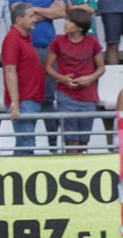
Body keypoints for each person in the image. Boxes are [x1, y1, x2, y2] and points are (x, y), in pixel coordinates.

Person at [8, 0, 65, 144]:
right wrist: (48, 10)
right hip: (27, 48)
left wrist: (33, 11)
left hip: (49, 48)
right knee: (29, 97)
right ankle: (27, 142)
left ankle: (52, 143)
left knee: (49, 97)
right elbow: (17, 12)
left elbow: (62, 11)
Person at [45, 9, 105, 153]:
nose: (65, 24)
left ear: (80, 27)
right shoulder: (58, 41)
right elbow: (48, 67)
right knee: (71, 141)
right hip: (65, 95)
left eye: (69, 21)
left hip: (88, 96)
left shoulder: (92, 41)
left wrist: (90, 78)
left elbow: (101, 67)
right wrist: (63, 79)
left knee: (83, 143)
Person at [1, 4, 46, 154]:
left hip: (29, 99)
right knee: (26, 142)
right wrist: (15, 101)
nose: (35, 19)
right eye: (31, 16)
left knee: (27, 141)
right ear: (19, 19)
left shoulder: (24, 38)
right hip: (23, 100)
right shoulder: (12, 39)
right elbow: (9, 70)